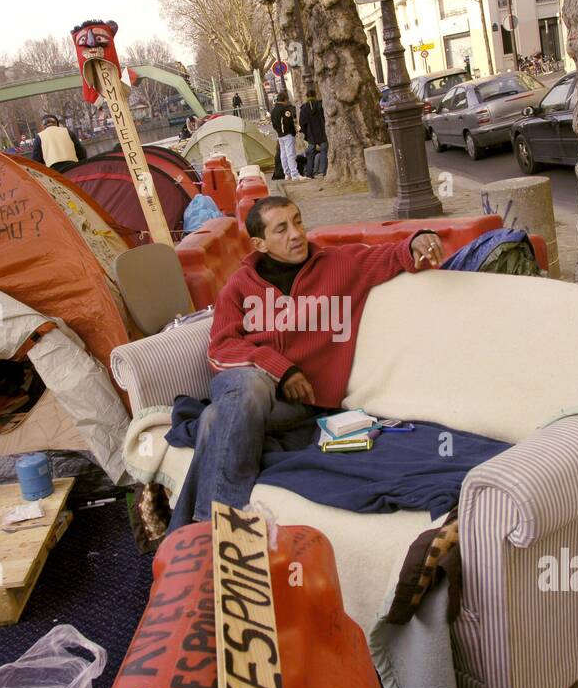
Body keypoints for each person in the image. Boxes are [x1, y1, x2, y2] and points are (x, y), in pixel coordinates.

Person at [168, 196, 445, 530]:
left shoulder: (339, 265)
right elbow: (220, 349)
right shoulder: (238, 288)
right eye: (281, 229)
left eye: (298, 221)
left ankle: (193, 533)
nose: (296, 234)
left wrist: (419, 239)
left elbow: (394, 255)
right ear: (260, 243)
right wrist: (280, 368)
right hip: (248, 386)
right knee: (249, 385)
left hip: (299, 407)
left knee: (214, 417)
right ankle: (223, 528)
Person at [270, 91, 304, 180]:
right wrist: (293, 132)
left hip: (280, 135)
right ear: (285, 99)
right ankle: (294, 174)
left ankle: (287, 173)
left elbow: (274, 124)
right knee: (291, 154)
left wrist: (279, 131)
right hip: (287, 134)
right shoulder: (285, 109)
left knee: (283, 154)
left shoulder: (273, 110)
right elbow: (289, 122)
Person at [298, 89, 327, 178]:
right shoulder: (321, 105)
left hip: (311, 136)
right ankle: (322, 171)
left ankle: (309, 173)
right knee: (323, 152)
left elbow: (302, 124)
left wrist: (305, 132)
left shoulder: (303, 109)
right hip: (322, 133)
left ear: (306, 97)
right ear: (315, 95)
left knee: (310, 154)